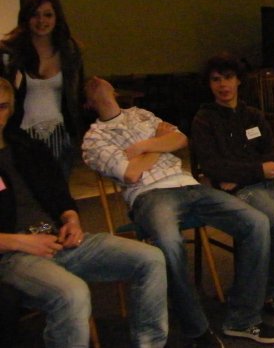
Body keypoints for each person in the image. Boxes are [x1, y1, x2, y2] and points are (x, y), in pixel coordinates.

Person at [82, 77, 274, 346]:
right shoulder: (94, 138)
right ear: (88, 103)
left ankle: (243, 319)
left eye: (102, 81)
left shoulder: (141, 114)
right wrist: (159, 141)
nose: (96, 82)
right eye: (90, 85)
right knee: (169, 244)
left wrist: (144, 147)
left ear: (114, 91)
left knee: (257, 222)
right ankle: (196, 329)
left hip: (190, 186)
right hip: (150, 195)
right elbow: (132, 174)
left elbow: (180, 139)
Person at [0, 77, 168, 348]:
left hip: (59, 239)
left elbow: (59, 195)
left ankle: (149, 344)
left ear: (11, 109)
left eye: (2, 107)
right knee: (73, 293)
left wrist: (71, 219)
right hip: (11, 255)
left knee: (150, 258)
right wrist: (20, 242)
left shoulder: (26, 147)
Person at [191, 53, 274, 314]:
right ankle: (270, 292)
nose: (223, 85)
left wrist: (242, 171)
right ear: (209, 84)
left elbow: (271, 154)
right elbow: (212, 166)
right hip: (239, 190)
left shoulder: (253, 115)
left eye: (228, 78)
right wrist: (257, 170)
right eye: (216, 79)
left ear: (238, 80)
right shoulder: (205, 119)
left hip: (254, 182)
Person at [0, 0, 84, 180]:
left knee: (57, 190)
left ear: (57, 18)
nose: (41, 21)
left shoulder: (70, 51)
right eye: (35, 15)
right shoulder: (9, 52)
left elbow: (76, 96)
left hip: (59, 134)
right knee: (25, 190)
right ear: (26, 17)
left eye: (48, 15)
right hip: (20, 134)